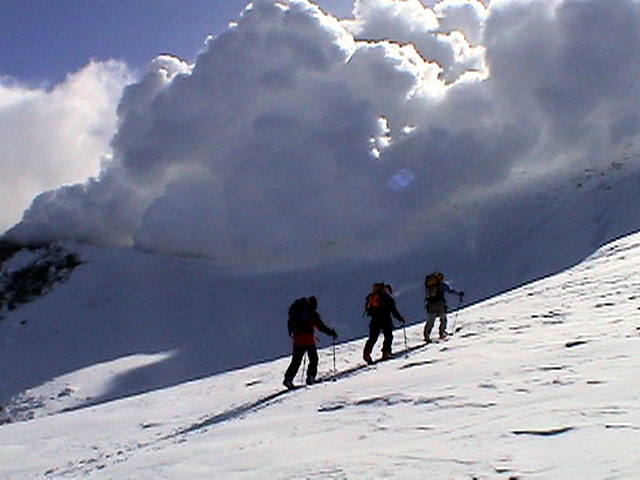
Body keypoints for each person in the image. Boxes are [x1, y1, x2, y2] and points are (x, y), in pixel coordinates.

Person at [284, 296, 337, 389]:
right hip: (308, 340)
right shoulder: (313, 314)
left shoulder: (298, 313)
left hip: (297, 340)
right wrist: (331, 333)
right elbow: (321, 327)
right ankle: (310, 377)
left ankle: (288, 379)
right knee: (313, 359)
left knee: (296, 361)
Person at [362, 282, 406, 364]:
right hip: (386, 320)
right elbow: (394, 312)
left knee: (373, 338)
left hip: (374, 320)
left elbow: (369, 310)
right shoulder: (388, 298)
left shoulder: (374, 297)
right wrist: (401, 319)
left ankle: (367, 353)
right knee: (388, 336)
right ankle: (386, 352)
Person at [423, 271, 464, 342]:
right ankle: (442, 333)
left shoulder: (429, 286)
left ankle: (426, 335)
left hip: (431, 305)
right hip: (440, 304)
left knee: (430, 321)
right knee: (443, 319)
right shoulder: (442, 285)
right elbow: (450, 290)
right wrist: (458, 293)